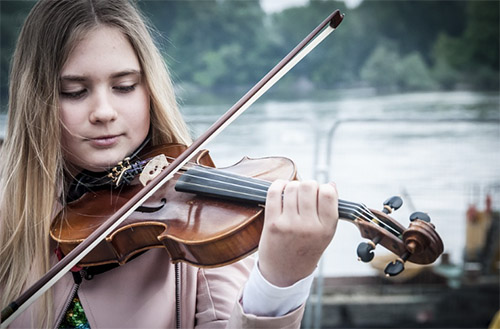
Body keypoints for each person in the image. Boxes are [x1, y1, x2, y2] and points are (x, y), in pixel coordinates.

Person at [0, 0, 339, 328]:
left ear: (149, 91)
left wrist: (280, 280)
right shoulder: (6, 216)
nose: (104, 112)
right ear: (36, 100)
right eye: (74, 91)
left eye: (124, 86)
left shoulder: (195, 222)